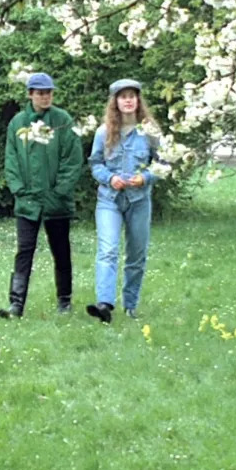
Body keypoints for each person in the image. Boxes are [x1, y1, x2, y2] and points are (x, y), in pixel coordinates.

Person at [0, 72, 84, 319]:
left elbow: (72, 159)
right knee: (24, 251)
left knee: (61, 251)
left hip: (56, 200)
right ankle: (16, 304)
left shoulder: (62, 120)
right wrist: (18, 189)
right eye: (40, 93)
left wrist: (59, 191)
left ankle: (64, 301)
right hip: (28, 201)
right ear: (30, 94)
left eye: (49, 92)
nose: (45, 97)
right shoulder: (18, 123)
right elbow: (11, 159)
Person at [86, 79, 160, 324]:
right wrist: (110, 178)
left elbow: (163, 164)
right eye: (123, 96)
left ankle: (130, 305)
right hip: (110, 200)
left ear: (138, 100)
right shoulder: (103, 132)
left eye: (132, 96)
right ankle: (104, 304)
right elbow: (95, 163)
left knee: (136, 254)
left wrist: (145, 177)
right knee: (107, 250)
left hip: (139, 201)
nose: (128, 100)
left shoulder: (150, 132)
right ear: (115, 102)